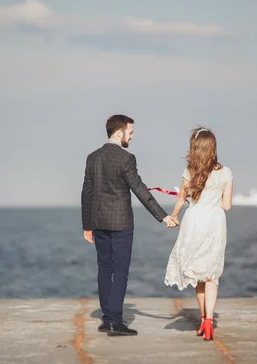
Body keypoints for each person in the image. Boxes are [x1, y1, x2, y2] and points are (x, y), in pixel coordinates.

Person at [81, 114, 178, 336]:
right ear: (119, 132)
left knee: (104, 269)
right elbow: (140, 189)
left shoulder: (92, 157)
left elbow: (86, 192)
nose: (131, 137)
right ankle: (115, 322)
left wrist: (87, 225)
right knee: (121, 271)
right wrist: (163, 216)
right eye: (130, 132)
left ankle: (107, 319)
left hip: (98, 222)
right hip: (121, 224)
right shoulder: (126, 158)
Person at [164, 126, 233, 341]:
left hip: (193, 221)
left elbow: (181, 199)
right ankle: (209, 322)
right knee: (211, 274)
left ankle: (203, 319)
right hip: (214, 221)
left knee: (198, 276)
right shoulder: (226, 172)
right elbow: (227, 205)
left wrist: (173, 216)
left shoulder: (189, 171)